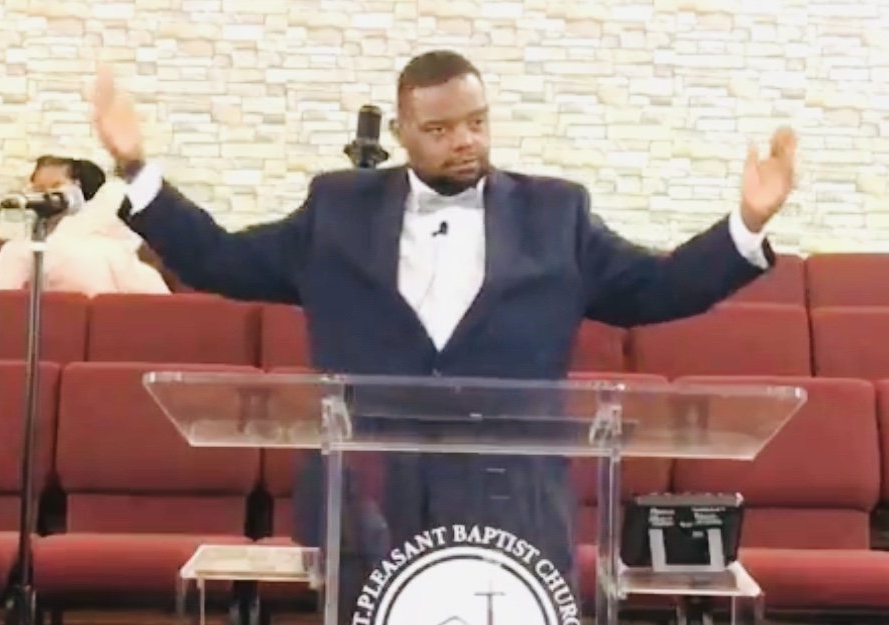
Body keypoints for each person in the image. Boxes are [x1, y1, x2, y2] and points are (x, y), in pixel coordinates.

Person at [90, 50, 796, 619]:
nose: (466, 140)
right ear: (401, 131)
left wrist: (747, 225)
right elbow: (220, 260)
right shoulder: (336, 211)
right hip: (367, 500)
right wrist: (135, 169)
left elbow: (656, 289)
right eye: (440, 129)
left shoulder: (557, 214)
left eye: (477, 122)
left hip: (516, 503)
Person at [0, 156, 171, 296]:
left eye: (56, 185)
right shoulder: (23, 246)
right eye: (39, 189)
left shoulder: (109, 201)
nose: (47, 195)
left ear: (78, 187)